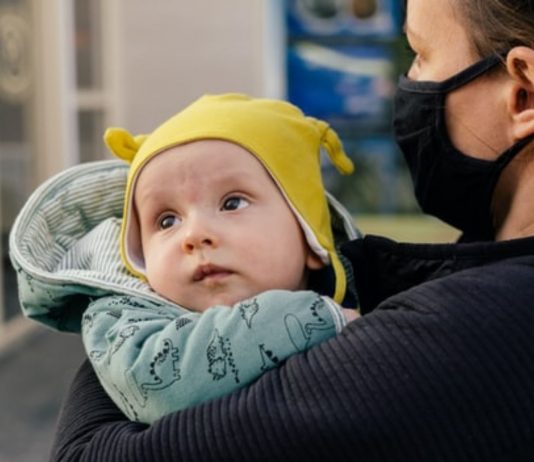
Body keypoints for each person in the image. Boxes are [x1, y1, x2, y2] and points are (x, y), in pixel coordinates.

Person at [27, 0, 534, 459]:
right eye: (165, 220)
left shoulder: (482, 330)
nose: (195, 234)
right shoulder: (483, 259)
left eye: (419, 53)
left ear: (522, 94)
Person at [10, 94, 359, 424]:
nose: (194, 235)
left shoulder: (374, 293)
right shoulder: (122, 319)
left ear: (310, 239)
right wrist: (316, 317)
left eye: (232, 203)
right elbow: (157, 383)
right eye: (167, 221)